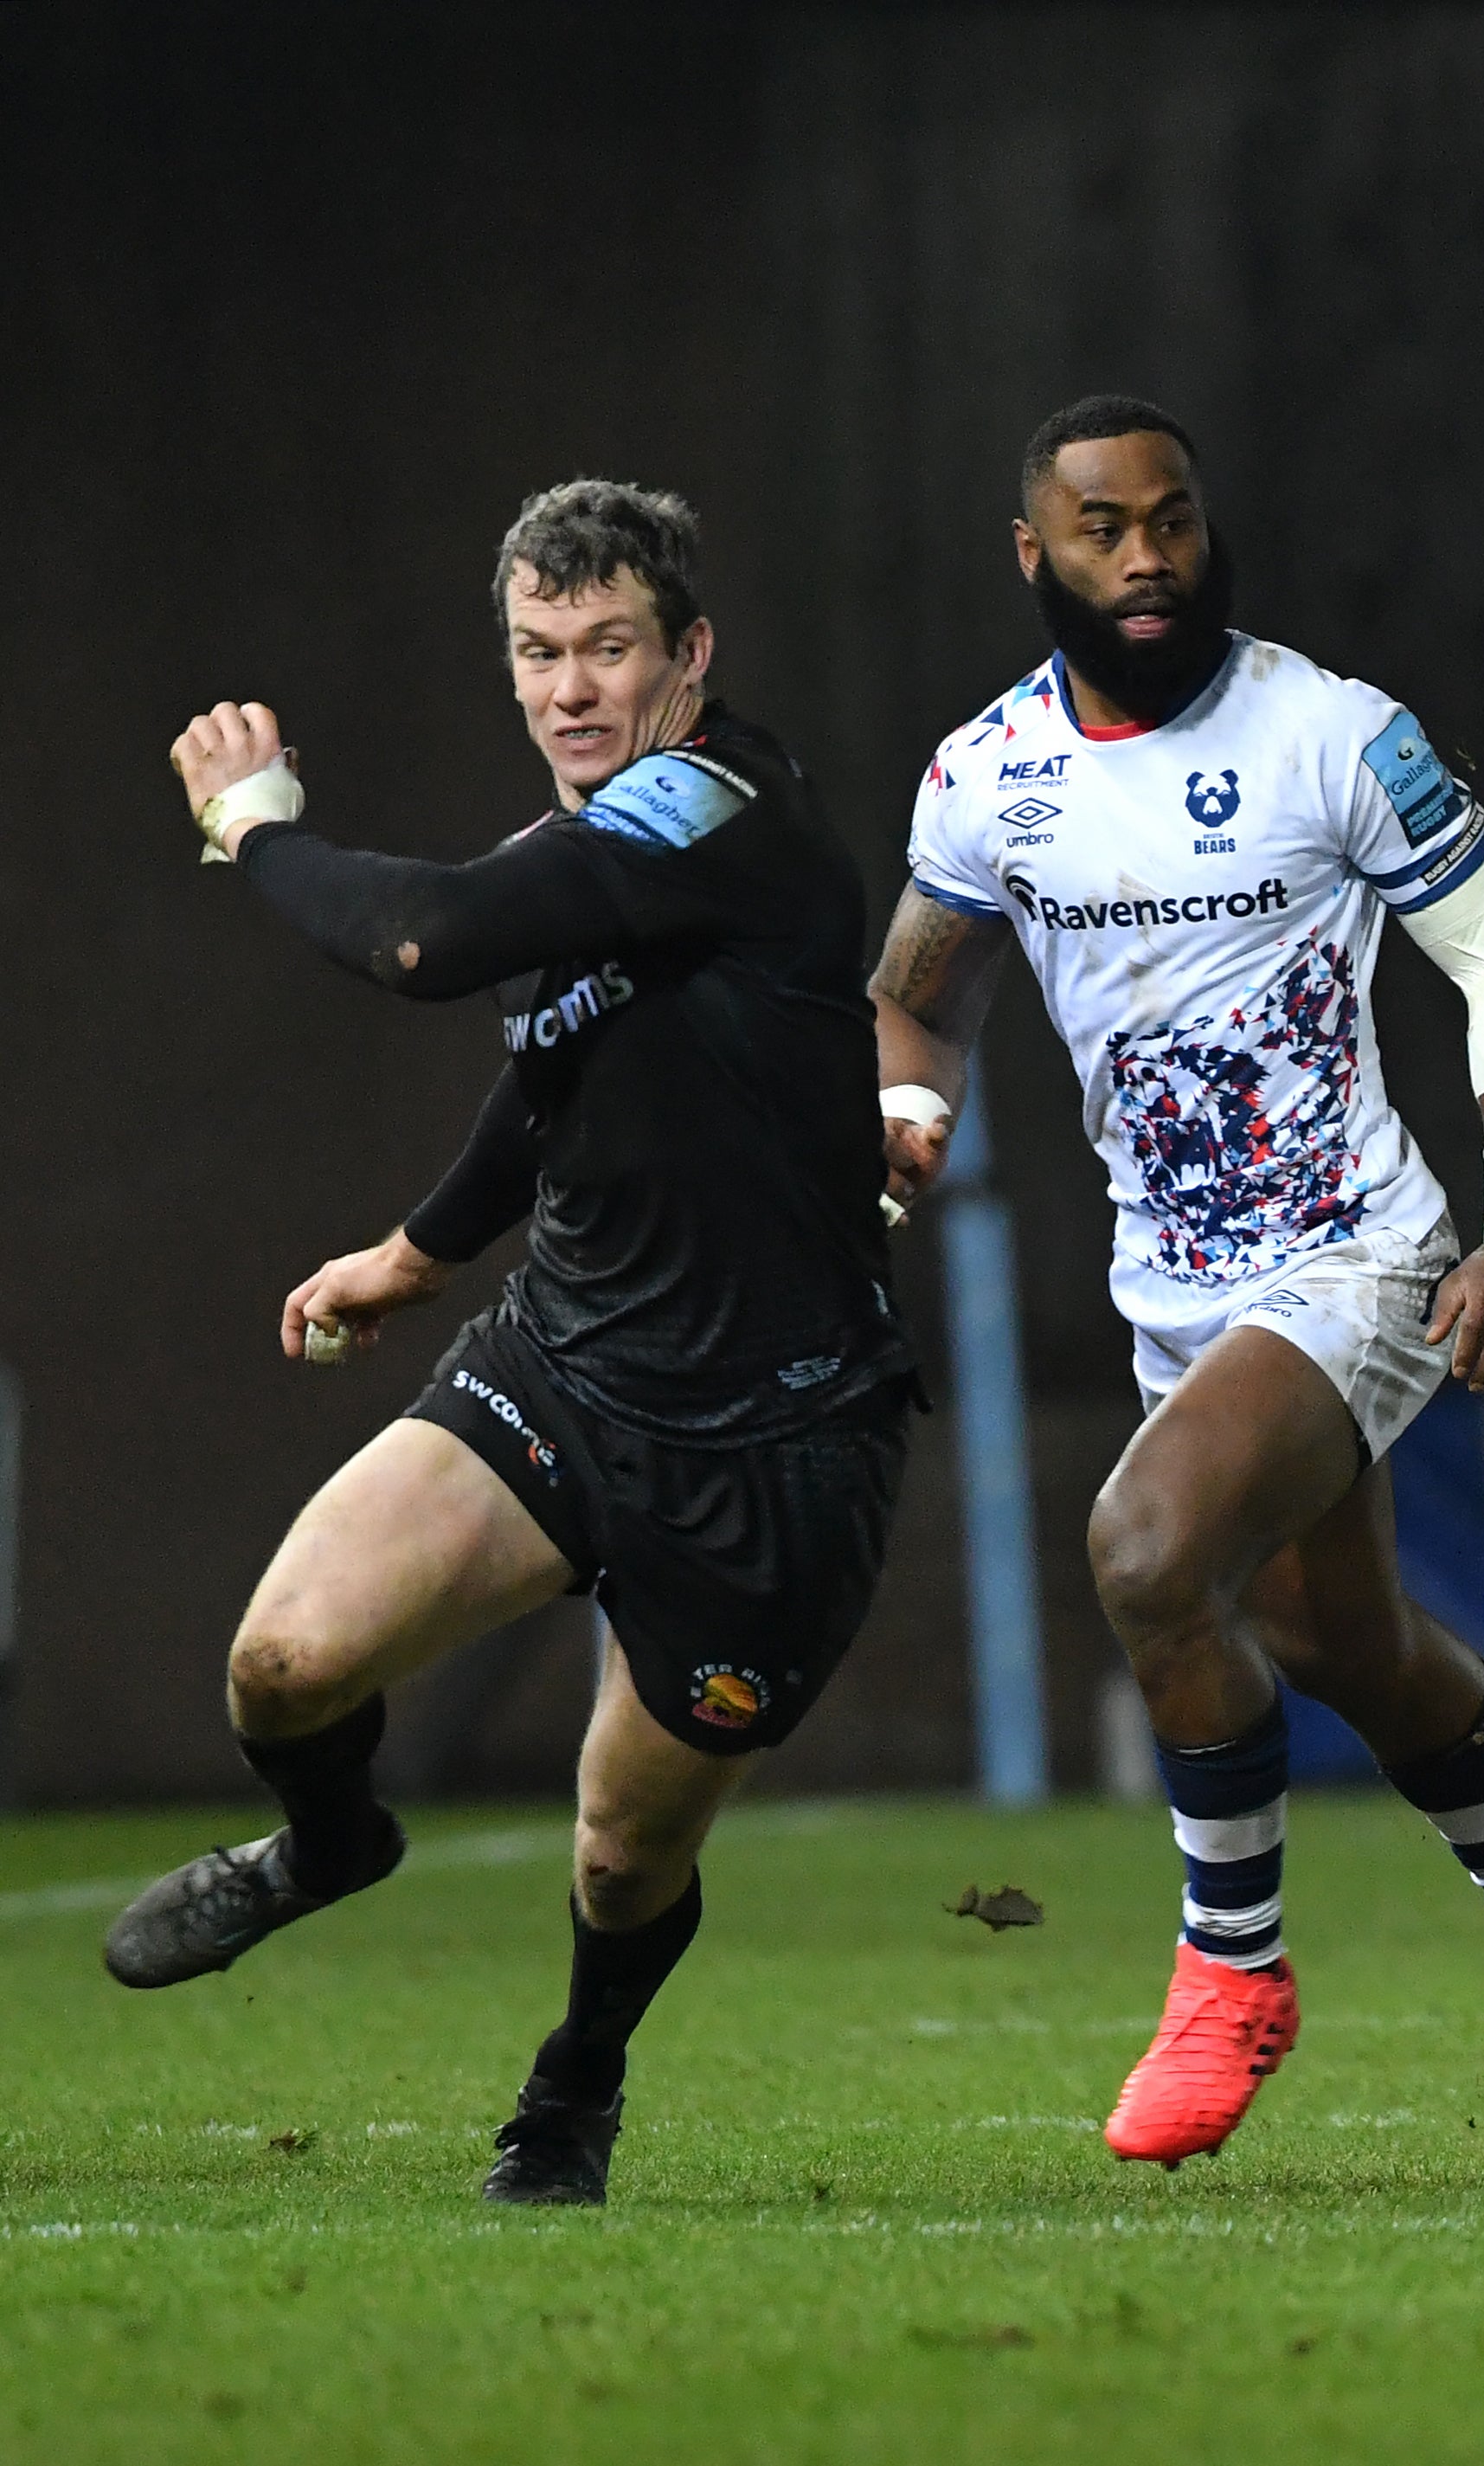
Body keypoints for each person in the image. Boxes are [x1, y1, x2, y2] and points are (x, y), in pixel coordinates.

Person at [110, 482, 918, 2208]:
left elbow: (428, 944)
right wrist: (414, 1255)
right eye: (538, 653)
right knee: (284, 1664)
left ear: (687, 657)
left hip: (768, 1453)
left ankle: (575, 2087)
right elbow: (548, 1064)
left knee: (622, 1855)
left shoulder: (721, 811)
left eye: (608, 648)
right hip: (559, 1372)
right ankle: (334, 1843)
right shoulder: (587, 843)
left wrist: (253, 825)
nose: (569, 688)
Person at [871, 396, 1484, 2163]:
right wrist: (911, 1108)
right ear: (1033, 555)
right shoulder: (984, 775)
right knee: (1331, 1638)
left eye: (1172, 522)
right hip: (1179, 1290)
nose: (1147, 559)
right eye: (1102, 531)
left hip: (1358, 1260)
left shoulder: (1336, 737)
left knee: (1145, 1550)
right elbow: (916, 985)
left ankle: (1233, 1973)